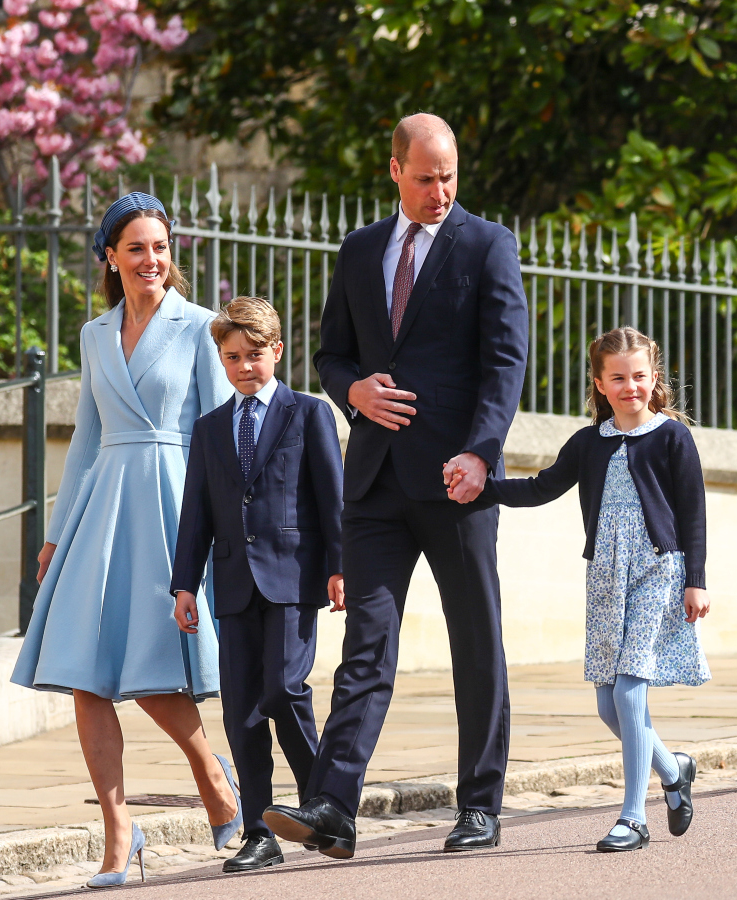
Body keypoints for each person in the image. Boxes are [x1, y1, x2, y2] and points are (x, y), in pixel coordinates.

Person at [264, 113, 528, 858]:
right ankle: (334, 807)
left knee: (476, 643)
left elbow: (505, 364)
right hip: (375, 483)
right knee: (365, 648)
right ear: (394, 172)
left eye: (448, 176)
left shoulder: (488, 246)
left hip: (458, 483)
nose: (439, 190)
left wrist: (481, 453)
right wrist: (355, 393)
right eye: (425, 177)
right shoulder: (358, 251)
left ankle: (481, 805)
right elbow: (331, 355)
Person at [10, 193, 240, 888]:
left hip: (174, 504)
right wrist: (56, 534)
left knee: (147, 671)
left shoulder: (202, 328)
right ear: (111, 257)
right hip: (102, 509)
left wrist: (223, 524)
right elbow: (86, 438)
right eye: (136, 248)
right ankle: (118, 835)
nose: (151, 260)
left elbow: (221, 431)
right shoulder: (93, 334)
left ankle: (211, 772)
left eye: (161, 248)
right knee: (87, 672)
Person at [447, 326, 711, 852]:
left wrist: (696, 580)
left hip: (658, 568)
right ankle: (673, 768)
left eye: (639, 376)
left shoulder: (672, 436)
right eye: (618, 378)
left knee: (632, 688)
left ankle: (633, 817)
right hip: (605, 576)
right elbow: (542, 486)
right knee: (609, 707)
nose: (630, 386)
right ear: (600, 384)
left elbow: (693, 511)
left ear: (654, 379)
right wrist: (481, 489)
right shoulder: (589, 442)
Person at [170, 296, 346, 874]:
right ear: (220, 360)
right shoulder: (210, 428)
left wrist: (340, 567)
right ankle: (258, 830)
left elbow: (332, 500)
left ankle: (326, 806)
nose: (244, 366)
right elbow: (196, 512)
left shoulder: (309, 413)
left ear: (277, 350)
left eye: (254, 355)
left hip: (294, 578)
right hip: (233, 584)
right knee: (243, 707)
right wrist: (185, 585)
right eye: (232, 357)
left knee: (284, 688)